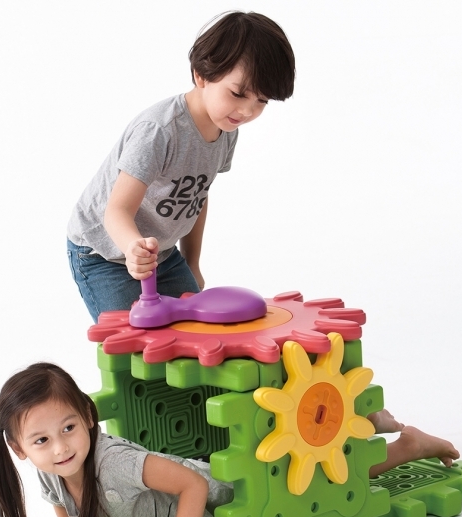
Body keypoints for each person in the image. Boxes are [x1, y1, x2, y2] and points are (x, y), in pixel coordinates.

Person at [0, 362, 460, 517]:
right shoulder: (52, 475)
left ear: (89, 417)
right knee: (323, 481)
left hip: (230, 494)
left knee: (328, 485)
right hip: (214, 515)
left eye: (69, 428)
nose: (61, 448)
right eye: (42, 440)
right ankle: (383, 432)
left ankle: (401, 441)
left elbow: (193, 485)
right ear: (20, 449)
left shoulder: (112, 462)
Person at [66, 11, 296, 321]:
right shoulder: (159, 131)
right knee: (134, 339)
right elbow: (116, 210)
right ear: (201, 75)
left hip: (162, 253)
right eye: (238, 94)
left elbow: (196, 196)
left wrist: (192, 261)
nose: (246, 110)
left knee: (195, 331)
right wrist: (132, 249)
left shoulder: (226, 129)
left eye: (262, 101)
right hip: (104, 252)